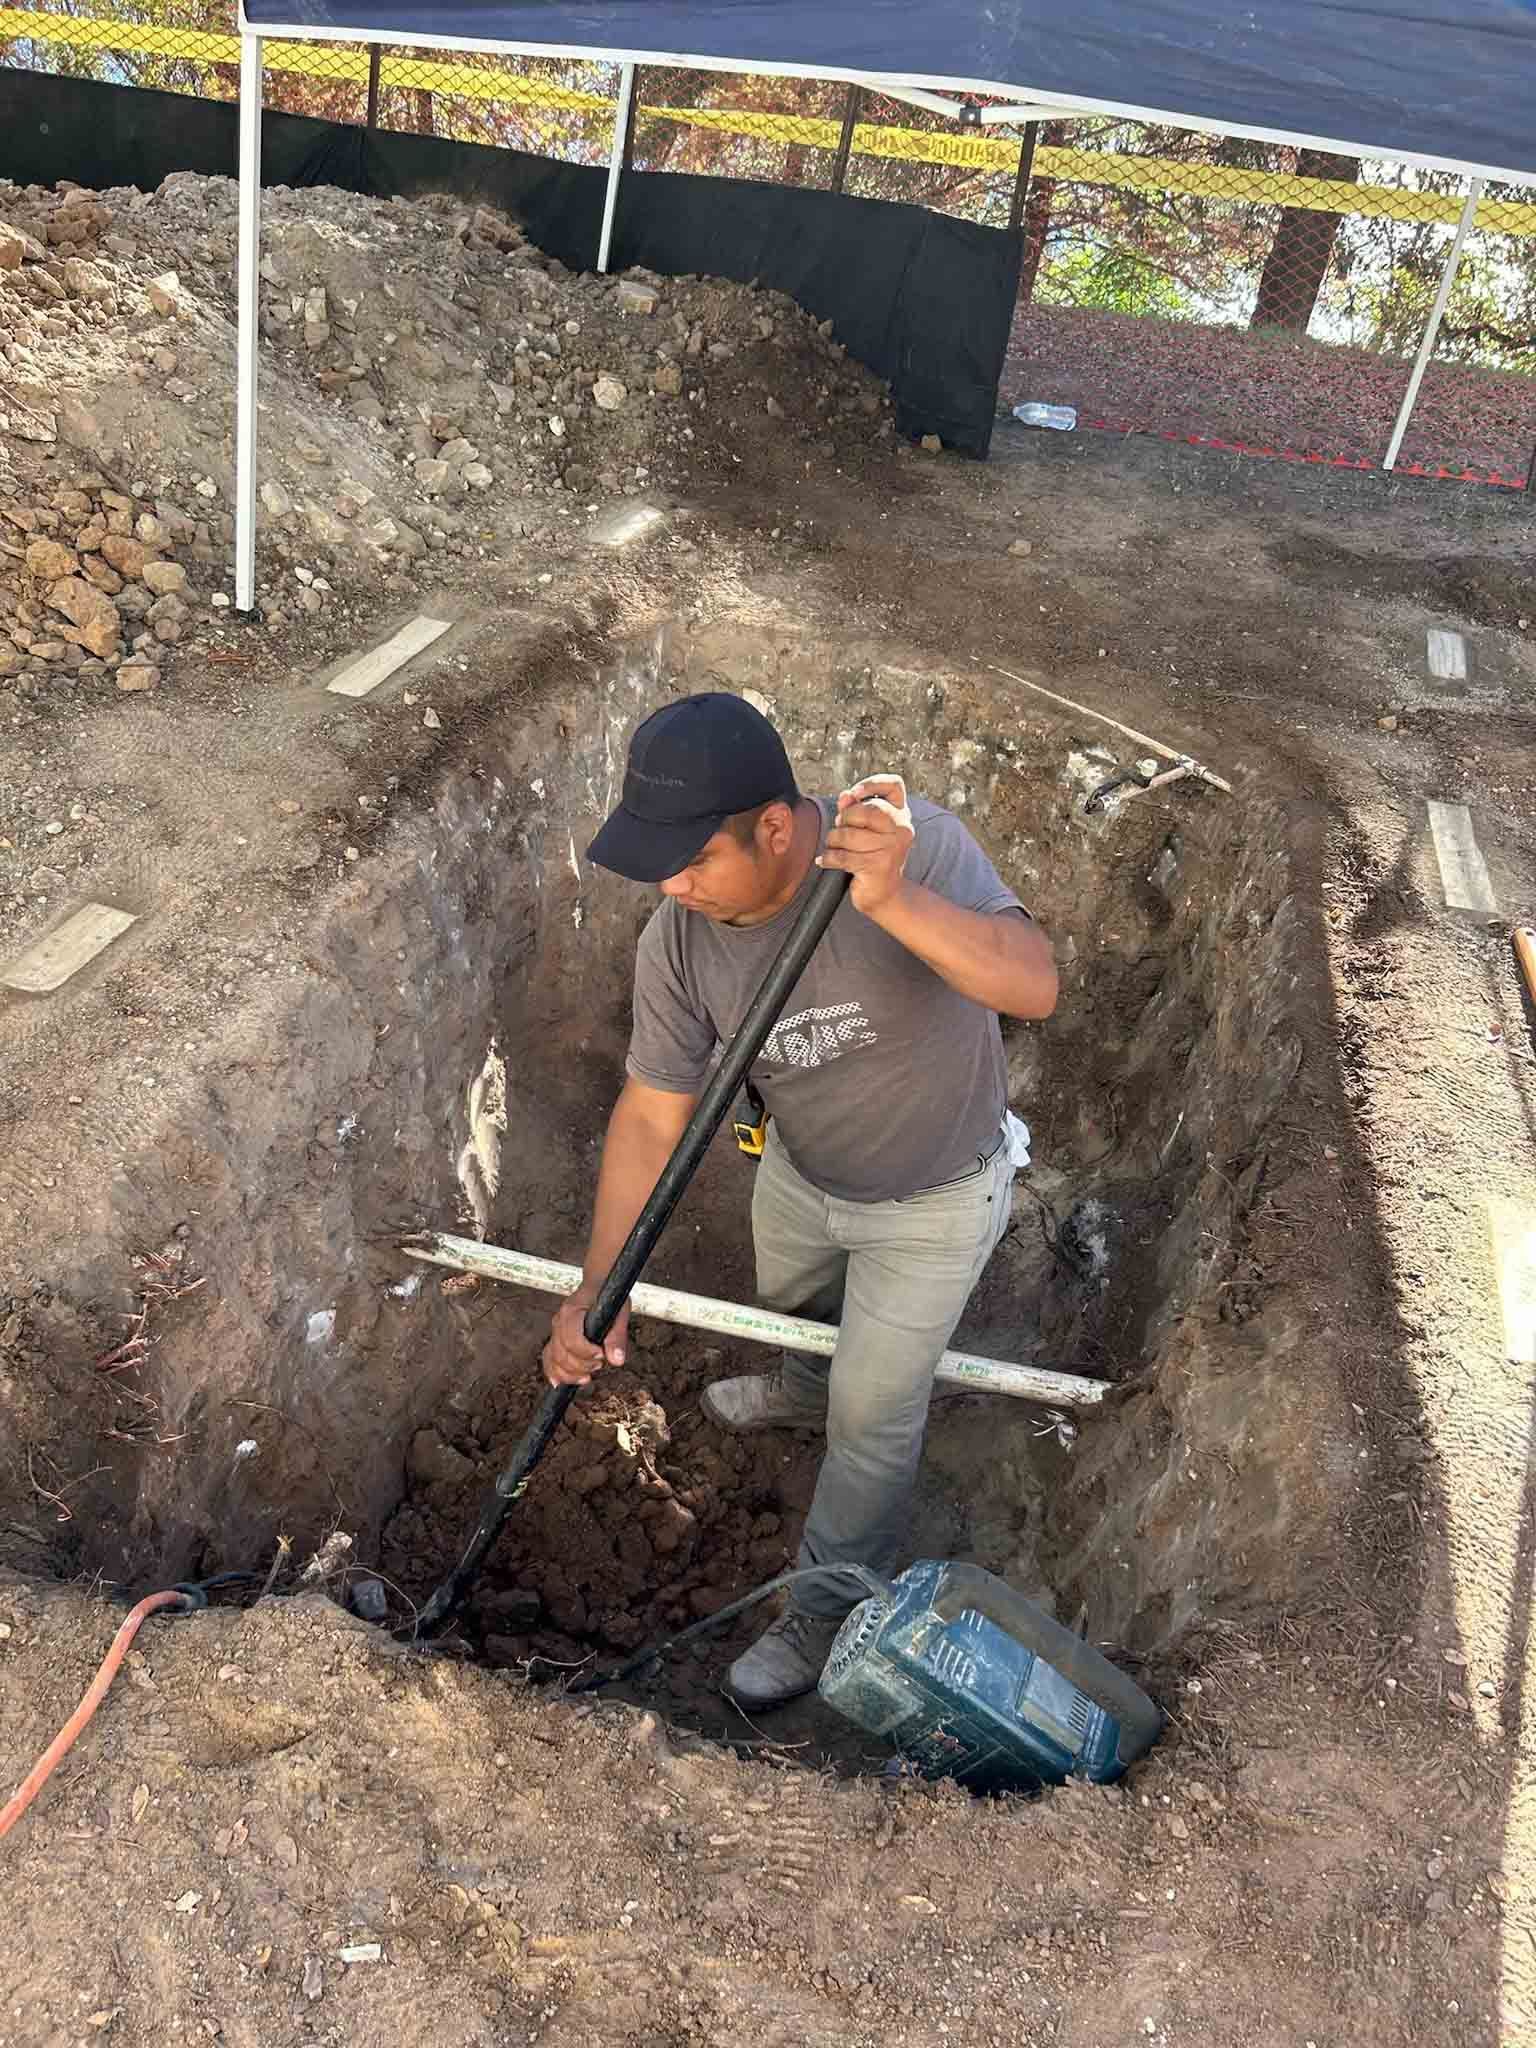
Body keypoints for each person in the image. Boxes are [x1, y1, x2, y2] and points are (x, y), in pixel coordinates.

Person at [542, 692, 1058, 1709]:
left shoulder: (919, 851)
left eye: (694, 861)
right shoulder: (679, 946)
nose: (674, 885)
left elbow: (1034, 985)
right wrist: (593, 1290)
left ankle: (823, 1608)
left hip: (938, 1194)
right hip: (804, 1174)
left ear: (773, 828)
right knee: (794, 1309)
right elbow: (652, 1117)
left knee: (873, 1414)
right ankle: (797, 1388)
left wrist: (895, 900)